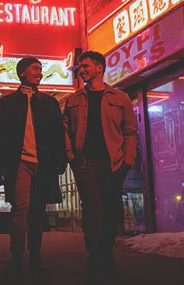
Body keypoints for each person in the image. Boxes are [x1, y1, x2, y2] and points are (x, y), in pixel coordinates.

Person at [0, 57, 67, 282]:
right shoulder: (7, 102)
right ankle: (16, 256)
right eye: (35, 68)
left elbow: (57, 135)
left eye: (41, 69)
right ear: (22, 72)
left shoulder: (49, 102)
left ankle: (35, 257)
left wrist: (60, 160)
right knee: (20, 210)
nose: (40, 73)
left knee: (37, 212)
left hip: (42, 165)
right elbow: (0, 138)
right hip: (19, 163)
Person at [63, 51, 138, 279]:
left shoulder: (120, 97)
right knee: (92, 208)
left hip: (114, 163)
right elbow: (65, 131)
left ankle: (105, 252)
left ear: (99, 68)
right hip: (85, 163)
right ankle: (95, 254)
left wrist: (127, 161)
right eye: (79, 68)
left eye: (85, 66)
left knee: (112, 208)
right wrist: (72, 157)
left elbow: (130, 132)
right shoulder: (73, 100)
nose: (81, 70)